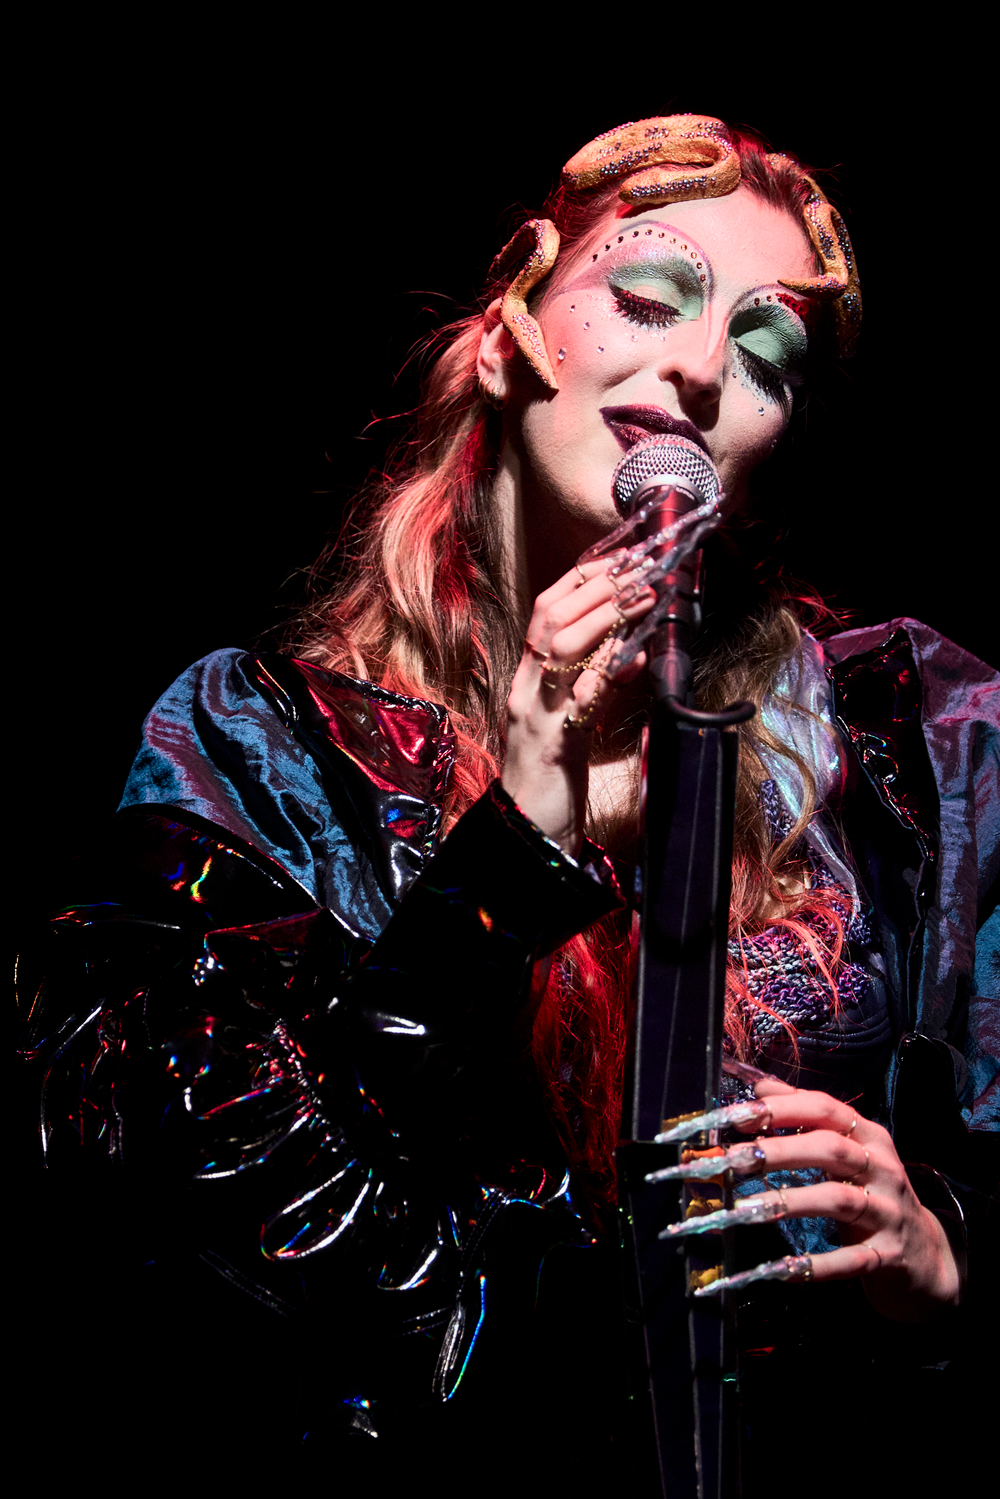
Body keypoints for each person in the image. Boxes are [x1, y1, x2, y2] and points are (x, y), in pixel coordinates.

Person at [22, 116, 996, 1491]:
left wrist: (940, 1255)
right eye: (649, 298)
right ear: (503, 342)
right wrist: (514, 849)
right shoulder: (267, 746)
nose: (703, 366)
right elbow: (198, 1233)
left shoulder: (904, 748)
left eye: (766, 356)